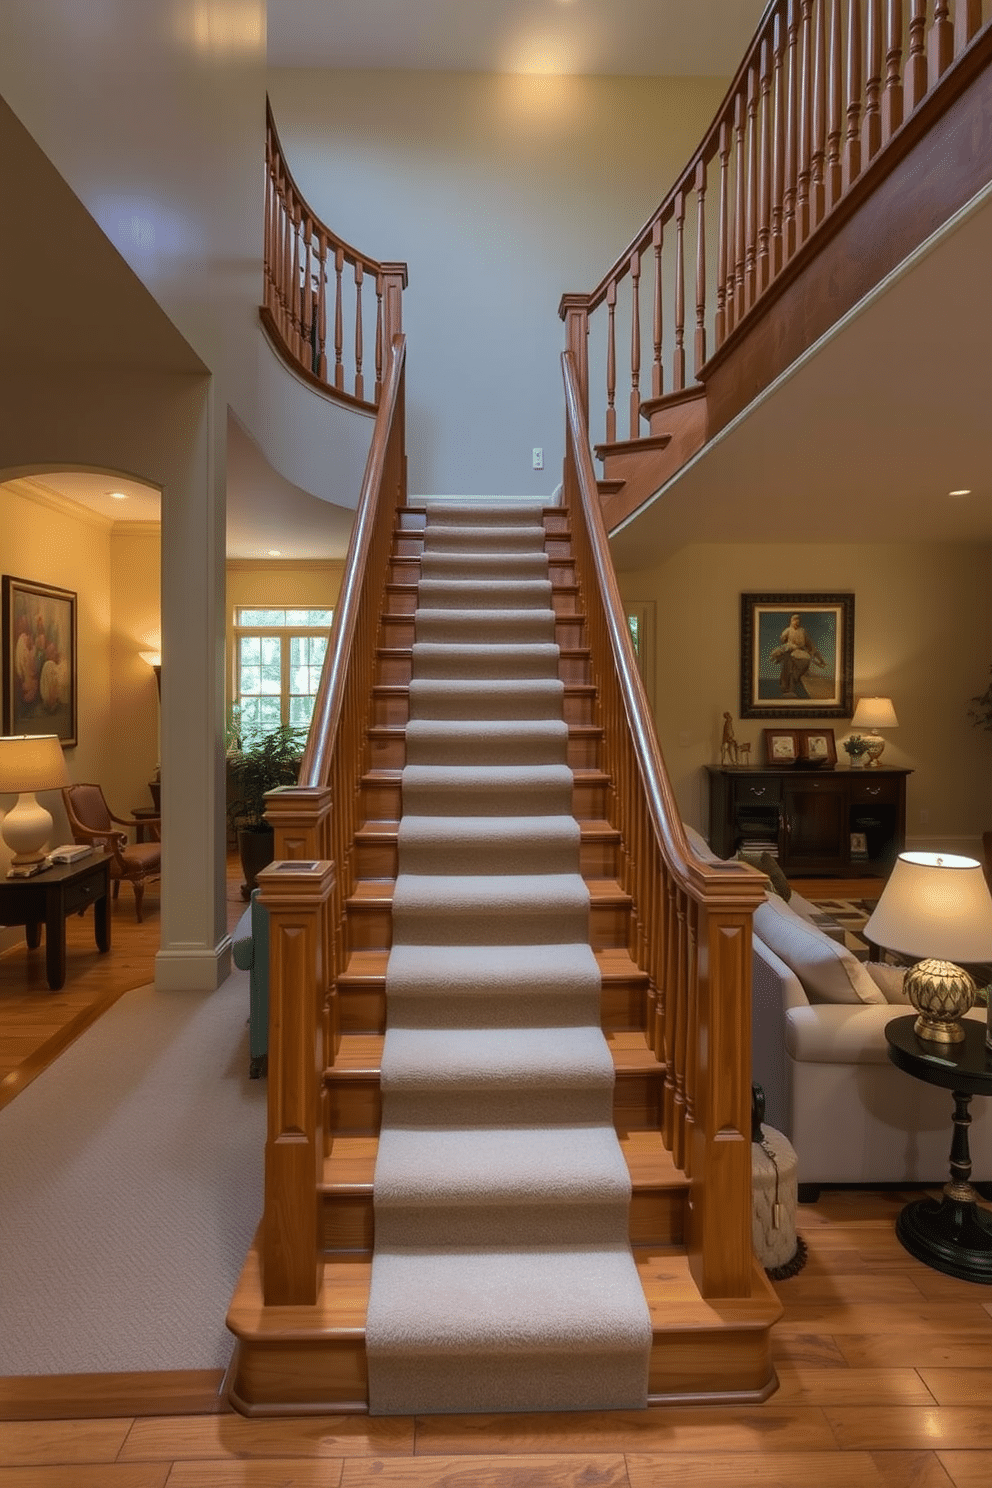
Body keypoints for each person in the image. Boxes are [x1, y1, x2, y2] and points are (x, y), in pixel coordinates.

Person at [769, 614, 825, 698]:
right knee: (788, 667)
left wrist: (820, 659)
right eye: (794, 621)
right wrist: (788, 646)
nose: (796, 623)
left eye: (798, 622)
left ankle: (794, 684)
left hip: (802, 653)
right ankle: (788, 689)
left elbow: (810, 645)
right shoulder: (787, 631)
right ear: (791, 622)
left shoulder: (803, 631)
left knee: (805, 661)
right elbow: (783, 640)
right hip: (790, 653)